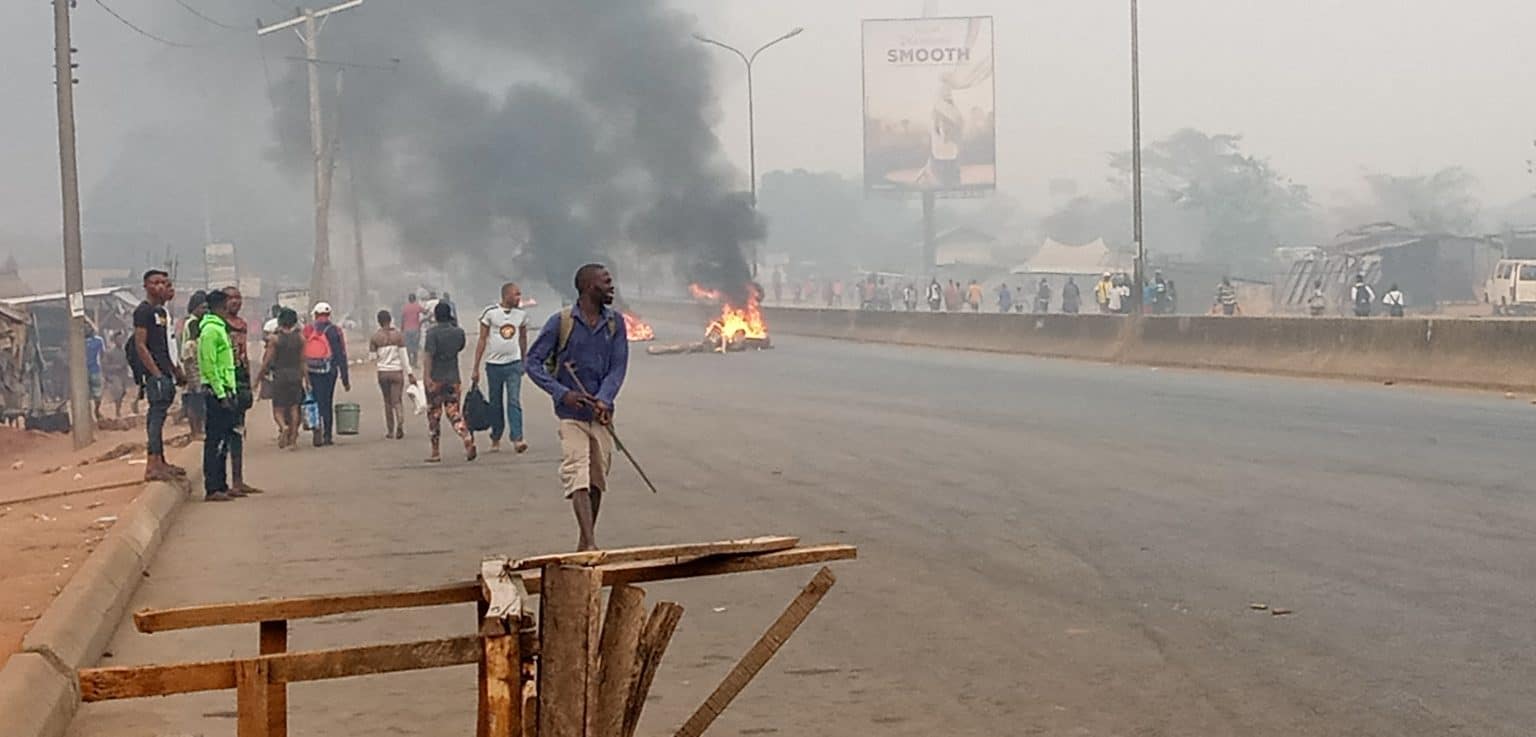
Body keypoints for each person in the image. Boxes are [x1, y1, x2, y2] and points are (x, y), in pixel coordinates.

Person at [525, 264, 630, 552]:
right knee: (578, 474)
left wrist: (604, 399)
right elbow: (532, 363)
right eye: (606, 282)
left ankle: (584, 541)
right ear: (587, 287)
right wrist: (562, 393)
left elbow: (618, 367)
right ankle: (591, 543)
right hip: (570, 417)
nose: (611, 287)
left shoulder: (615, 323)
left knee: (597, 478)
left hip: (601, 416)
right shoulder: (560, 322)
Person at [134, 270, 185, 481]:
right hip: (155, 375)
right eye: (156, 283)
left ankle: (161, 462)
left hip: (166, 371)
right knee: (154, 419)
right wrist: (155, 374)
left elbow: (168, 345)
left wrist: (175, 370)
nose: (161, 287)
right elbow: (140, 345)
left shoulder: (162, 313)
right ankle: (152, 465)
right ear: (146, 286)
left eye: (165, 282)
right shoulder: (143, 311)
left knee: (161, 417)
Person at [472, 282, 531, 453]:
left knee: (513, 400)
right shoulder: (490, 313)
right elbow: (482, 339)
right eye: (516, 294)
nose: (519, 298)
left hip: (513, 364)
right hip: (494, 366)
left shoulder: (521, 315)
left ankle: (517, 438)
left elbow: (522, 339)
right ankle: (496, 436)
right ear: (506, 295)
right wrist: (476, 367)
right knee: (495, 403)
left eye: (520, 294)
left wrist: (524, 360)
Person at [197, 290, 240, 502]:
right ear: (220, 308)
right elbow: (209, 365)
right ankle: (212, 487)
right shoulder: (210, 331)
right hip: (216, 391)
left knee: (224, 440)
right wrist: (221, 394)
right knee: (215, 441)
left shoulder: (219, 329)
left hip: (225, 389)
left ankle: (222, 485)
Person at [421, 301, 476, 463]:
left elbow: (428, 356)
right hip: (453, 378)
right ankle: (466, 438)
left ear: (436, 316)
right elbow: (460, 348)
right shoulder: (458, 332)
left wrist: (427, 377)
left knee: (434, 416)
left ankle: (435, 452)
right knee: (454, 413)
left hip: (436, 379)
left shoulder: (432, 334)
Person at [222, 287, 261, 496]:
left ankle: (238, 480)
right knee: (224, 433)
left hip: (240, 379)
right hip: (224, 380)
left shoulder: (242, 325)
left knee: (238, 431)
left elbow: (244, 354)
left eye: (239, 298)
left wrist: (248, 378)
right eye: (231, 298)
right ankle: (222, 482)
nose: (236, 302)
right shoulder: (218, 324)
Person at [255, 308, 306, 449]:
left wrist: (258, 378)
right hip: (296, 376)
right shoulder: (301, 338)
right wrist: (308, 381)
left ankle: (283, 427)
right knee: (295, 407)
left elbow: (266, 362)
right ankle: (294, 439)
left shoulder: (275, 339)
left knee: (278, 408)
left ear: (279, 321)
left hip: (280, 377)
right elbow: (303, 361)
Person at [303, 302, 350, 446]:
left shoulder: (308, 330)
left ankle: (317, 430)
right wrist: (345, 378)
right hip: (330, 371)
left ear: (315, 315)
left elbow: (302, 352)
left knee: (315, 401)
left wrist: (303, 375)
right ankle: (327, 435)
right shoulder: (335, 330)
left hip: (312, 371)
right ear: (329, 315)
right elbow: (341, 354)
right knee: (327, 401)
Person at [368, 310, 412, 440]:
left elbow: (372, 358)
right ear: (390, 319)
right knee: (397, 399)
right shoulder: (398, 336)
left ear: (379, 321)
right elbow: (404, 357)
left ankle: (390, 430)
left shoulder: (375, 337)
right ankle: (400, 420)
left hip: (383, 372)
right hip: (397, 372)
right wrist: (409, 373)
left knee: (387, 401)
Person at [180, 292, 209, 441]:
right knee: (195, 399)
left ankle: (198, 429)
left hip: (194, 363)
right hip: (192, 364)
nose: (205, 311)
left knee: (197, 399)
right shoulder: (193, 323)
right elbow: (191, 346)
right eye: (202, 308)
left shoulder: (192, 321)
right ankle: (195, 431)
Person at [101, 331, 133, 419]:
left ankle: (118, 408)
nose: (120, 341)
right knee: (118, 391)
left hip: (123, 375)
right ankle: (117, 411)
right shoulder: (110, 352)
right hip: (114, 375)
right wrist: (116, 368)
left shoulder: (125, 351)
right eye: (118, 339)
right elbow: (105, 366)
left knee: (123, 392)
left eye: (121, 339)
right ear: (114, 340)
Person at [85, 325, 105, 420]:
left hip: (95, 369)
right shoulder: (79, 342)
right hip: (83, 371)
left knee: (98, 394)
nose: (87, 329)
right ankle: (88, 415)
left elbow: (102, 355)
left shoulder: (98, 340)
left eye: (89, 328)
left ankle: (96, 410)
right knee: (85, 394)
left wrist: (103, 368)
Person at [401, 293, 426, 367]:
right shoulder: (417, 306)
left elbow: (402, 318)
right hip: (416, 329)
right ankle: (415, 363)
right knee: (415, 346)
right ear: (415, 299)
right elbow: (426, 312)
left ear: (408, 299)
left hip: (407, 329)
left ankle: (409, 362)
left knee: (408, 346)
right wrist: (423, 321)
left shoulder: (405, 307)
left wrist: (402, 328)